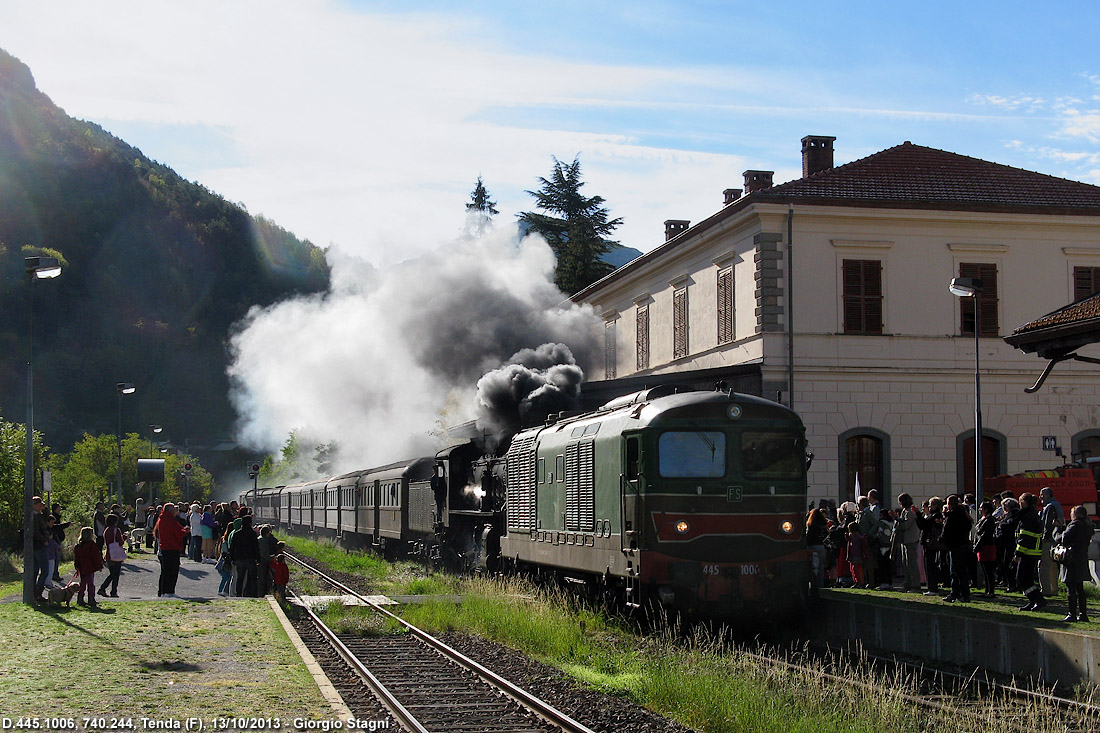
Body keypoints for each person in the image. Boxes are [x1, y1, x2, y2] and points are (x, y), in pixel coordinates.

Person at [1056, 505, 1094, 622]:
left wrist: (1058, 529)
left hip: (1071, 560)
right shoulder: (1088, 526)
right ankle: (1083, 614)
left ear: (1075, 514)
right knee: (1080, 588)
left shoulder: (1074, 525)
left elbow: (1062, 539)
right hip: (1081, 558)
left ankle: (1071, 614)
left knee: (1070, 588)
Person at [1015, 493, 1046, 612]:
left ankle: (1038, 599)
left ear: (1023, 502)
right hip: (1031, 552)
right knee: (1026, 578)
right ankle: (1033, 601)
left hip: (1028, 552)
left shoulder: (1028, 516)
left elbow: (1025, 537)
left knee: (1022, 578)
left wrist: (1018, 554)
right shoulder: (1031, 514)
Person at [941, 495, 973, 603]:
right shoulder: (964, 515)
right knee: (960, 571)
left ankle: (958, 593)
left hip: (955, 545)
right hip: (963, 544)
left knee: (955, 572)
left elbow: (947, 531)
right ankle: (961, 594)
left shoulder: (952, 517)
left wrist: (941, 539)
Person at [154, 503, 187, 599]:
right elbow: (177, 532)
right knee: (172, 571)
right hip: (172, 547)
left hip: (164, 548)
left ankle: (164, 591)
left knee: (165, 571)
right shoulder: (170, 520)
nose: (176, 511)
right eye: (174, 509)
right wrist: (185, 531)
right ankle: (170, 591)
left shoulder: (161, 519)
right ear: (170, 510)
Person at [1038, 487, 1065, 597]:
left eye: (1042, 495)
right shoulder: (1056, 504)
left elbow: (1047, 524)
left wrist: (1044, 537)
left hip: (1049, 539)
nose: (1040, 497)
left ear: (1047, 495)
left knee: (1043, 564)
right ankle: (1054, 589)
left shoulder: (1049, 507)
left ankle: (1045, 589)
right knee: (1053, 566)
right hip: (1056, 539)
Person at [892, 493, 922, 592]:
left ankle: (915, 585)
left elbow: (906, 525)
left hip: (911, 539)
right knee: (906, 564)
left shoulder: (910, 512)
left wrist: (896, 519)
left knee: (912, 563)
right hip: (905, 540)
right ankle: (907, 584)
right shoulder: (905, 511)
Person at [915, 497, 945, 595]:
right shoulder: (932, 515)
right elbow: (922, 526)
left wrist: (918, 514)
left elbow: (926, 524)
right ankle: (931, 587)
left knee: (931, 566)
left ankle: (933, 588)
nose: (929, 507)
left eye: (930, 505)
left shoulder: (936, 515)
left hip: (931, 543)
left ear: (935, 506)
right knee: (928, 565)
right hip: (927, 543)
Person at [230, 515, 260, 597]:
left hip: (239, 558)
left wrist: (233, 558)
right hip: (250, 558)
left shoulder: (237, 534)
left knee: (240, 578)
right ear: (250, 523)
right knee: (253, 578)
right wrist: (258, 559)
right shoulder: (253, 534)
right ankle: (253, 594)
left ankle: (238, 594)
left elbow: (232, 547)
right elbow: (256, 547)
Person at [98, 514, 127, 598]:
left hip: (109, 553)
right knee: (115, 574)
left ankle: (104, 589)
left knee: (112, 573)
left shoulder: (106, 530)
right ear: (115, 522)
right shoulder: (116, 530)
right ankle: (111, 591)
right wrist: (124, 537)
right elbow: (120, 542)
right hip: (116, 553)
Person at [73, 526, 103, 607]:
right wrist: (99, 566)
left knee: (82, 583)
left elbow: (77, 558)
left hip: (82, 566)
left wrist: (77, 566)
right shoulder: (91, 545)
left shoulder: (78, 546)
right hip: (90, 566)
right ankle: (91, 599)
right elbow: (95, 556)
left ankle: (80, 599)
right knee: (90, 584)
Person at [995, 497, 1021, 591]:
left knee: (1009, 564)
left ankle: (1012, 585)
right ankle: (1011, 583)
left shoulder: (1013, 514)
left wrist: (1000, 524)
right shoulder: (1010, 514)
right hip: (1007, 542)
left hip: (1011, 542)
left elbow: (1010, 525)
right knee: (1006, 563)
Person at [974, 500, 998, 597]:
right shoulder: (984, 519)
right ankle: (987, 590)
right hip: (983, 547)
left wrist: (977, 546)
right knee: (985, 570)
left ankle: (990, 591)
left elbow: (985, 535)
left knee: (988, 570)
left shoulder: (989, 520)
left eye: (981, 508)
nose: (980, 510)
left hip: (987, 547)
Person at [31, 497, 52, 602]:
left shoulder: (39, 515)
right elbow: (35, 532)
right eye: (39, 505)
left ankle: (34, 593)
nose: (41, 507)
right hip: (39, 545)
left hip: (37, 545)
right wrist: (44, 540)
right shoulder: (33, 516)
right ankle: (37, 593)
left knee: (35, 570)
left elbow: (47, 516)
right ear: (34, 505)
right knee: (44, 570)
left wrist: (45, 508)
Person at [805, 508, 829, 590]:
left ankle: (813, 586)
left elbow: (808, 537)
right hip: (821, 546)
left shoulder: (812, 526)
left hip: (813, 546)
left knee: (813, 568)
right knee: (821, 567)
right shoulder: (824, 526)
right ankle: (820, 585)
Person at [846, 522, 868, 588]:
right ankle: (856, 581)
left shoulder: (857, 536)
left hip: (857, 554)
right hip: (853, 554)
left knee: (857, 569)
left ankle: (860, 582)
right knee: (853, 569)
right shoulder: (852, 536)